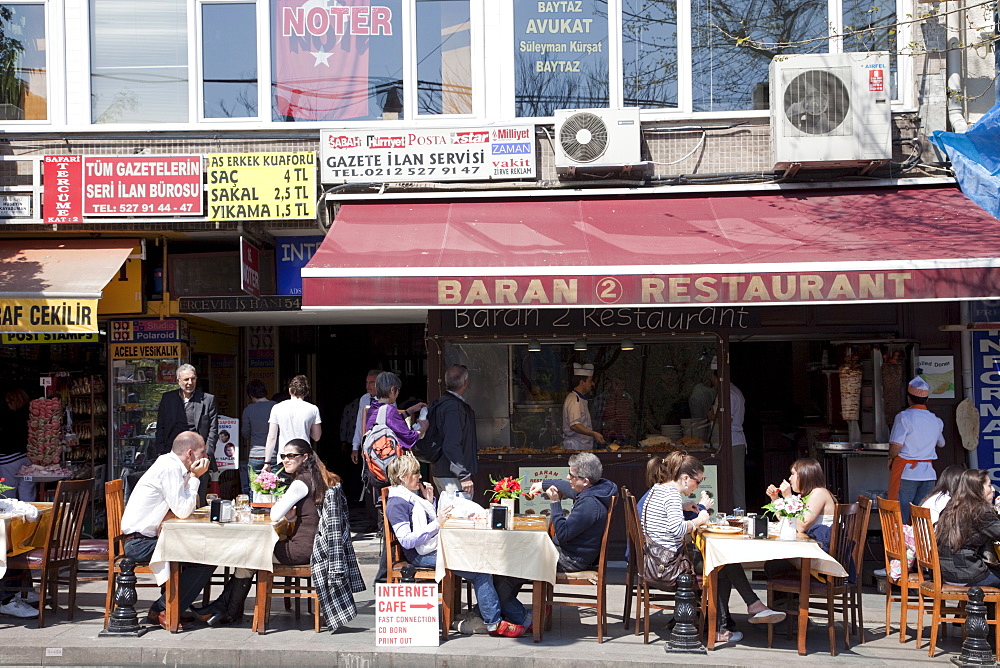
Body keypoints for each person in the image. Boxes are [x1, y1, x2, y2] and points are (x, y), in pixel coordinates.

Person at [194, 438, 340, 626]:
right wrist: (291, 517)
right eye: (283, 456)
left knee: (248, 556)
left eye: (291, 456)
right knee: (249, 555)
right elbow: (305, 517)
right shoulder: (317, 477)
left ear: (304, 457)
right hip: (314, 546)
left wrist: (284, 512)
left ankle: (227, 610)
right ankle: (224, 609)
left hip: (301, 550)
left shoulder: (300, 482)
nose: (286, 460)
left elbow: (275, 514)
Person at [385, 454, 531, 637]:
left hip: (437, 547)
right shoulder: (397, 503)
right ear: (402, 477)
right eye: (415, 473)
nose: (420, 476)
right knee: (481, 570)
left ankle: (522, 618)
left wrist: (430, 502)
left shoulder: (412, 497)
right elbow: (407, 540)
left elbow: (426, 524)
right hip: (421, 555)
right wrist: (438, 522)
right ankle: (494, 623)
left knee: (488, 563)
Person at [120, 431, 215, 630]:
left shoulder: (172, 466)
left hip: (149, 537)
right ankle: (163, 608)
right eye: (203, 453)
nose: (206, 458)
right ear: (190, 453)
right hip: (139, 543)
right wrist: (196, 478)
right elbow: (183, 509)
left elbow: (184, 507)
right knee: (206, 557)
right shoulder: (170, 468)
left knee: (204, 554)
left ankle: (174, 606)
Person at [364, 371, 427, 583]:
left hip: (376, 476)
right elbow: (408, 439)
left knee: (390, 527)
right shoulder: (389, 411)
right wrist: (421, 428)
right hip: (393, 478)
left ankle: (387, 577)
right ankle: (385, 577)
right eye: (397, 391)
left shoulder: (372, 410)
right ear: (393, 391)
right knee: (398, 526)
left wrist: (408, 411)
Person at [526, 452, 617, 571]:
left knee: (520, 562)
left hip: (571, 559)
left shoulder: (589, 504)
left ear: (585, 481)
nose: (568, 477)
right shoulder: (597, 489)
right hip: (571, 553)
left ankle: (500, 589)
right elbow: (568, 488)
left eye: (571, 475)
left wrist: (555, 502)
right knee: (521, 558)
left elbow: (563, 534)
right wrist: (543, 484)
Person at [154, 364, 218, 504]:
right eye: (186, 379)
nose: (190, 383)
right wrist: (161, 453)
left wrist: (207, 453)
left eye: (193, 379)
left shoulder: (207, 399)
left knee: (197, 495)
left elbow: (213, 430)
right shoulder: (168, 398)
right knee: (172, 495)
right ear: (178, 381)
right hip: (172, 455)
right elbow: (161, 427)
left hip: (198, 456)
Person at [888, 375, 945, 523]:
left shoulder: (904, 417)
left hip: (907, 473)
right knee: (922, 516)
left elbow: (895, 448)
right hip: (928, 473)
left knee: (901, 515)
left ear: (909, 398)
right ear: (927, 399)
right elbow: (941, 443)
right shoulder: (936, 420)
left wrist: (890, 459)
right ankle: (921, 545)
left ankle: (901, 545)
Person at [934, 469, 1000, 587]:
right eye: (989, 485)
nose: (993, 489)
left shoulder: (951, 507)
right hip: (969, 574)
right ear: (978, 489)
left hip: (946, 574)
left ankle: (987, 605)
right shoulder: (980, 511)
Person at [429, 364, 478, 497]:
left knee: (452, 514)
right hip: (452, 474)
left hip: (443, 470)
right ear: (465, 383)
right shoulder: (453, 408)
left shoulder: (442, 403)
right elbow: (451, 443)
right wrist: (463, 475)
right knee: (460, 515)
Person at [707, 360, 746, 510]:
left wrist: (712, 415)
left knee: (736, 482)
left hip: (733, 441)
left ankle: (740, 517)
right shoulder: (729, 391)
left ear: (717, 377)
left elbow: (725, 417)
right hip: (728, 441)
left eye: (712, 377)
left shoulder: (728, 393)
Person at [263, 375, 322, 471]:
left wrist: (267, 462)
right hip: (303, 457)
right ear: (306, 392)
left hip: (284, 457)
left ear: (290, 390)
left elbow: (272, 437)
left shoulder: (277, 408)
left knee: (284, 485)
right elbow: (317, 437)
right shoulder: (313, 409)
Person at [241, 379, 276, 495]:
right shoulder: (276, 407)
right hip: (274, 455)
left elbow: (245, 434)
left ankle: (255, 512)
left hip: (255, 455)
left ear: (250, 395)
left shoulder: (248, 410)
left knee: (255, 491)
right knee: (275, 490)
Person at [0, 388, 34, 501]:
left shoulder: (6, 417)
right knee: (27, 490)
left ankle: (10, 516)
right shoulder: (31, 415)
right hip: (27, 457)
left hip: (8, 458)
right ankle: (30, 515)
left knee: (7, 492)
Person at [562, 363, 605, 450]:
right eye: (590, 381)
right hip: (576, 447)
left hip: (583, 447)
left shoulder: (580, 399)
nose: (592, 384)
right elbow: (575, 425)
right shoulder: (574, 400)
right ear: (582, 382)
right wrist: (594, 434)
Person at [350, 370, 381, 465]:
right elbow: (359, 423)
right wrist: (355, 447)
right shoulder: (364, 399)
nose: (368, 385)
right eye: (367, 382)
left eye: (371, 382)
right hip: (366, 445)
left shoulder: (388, 400)